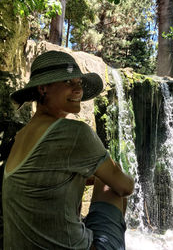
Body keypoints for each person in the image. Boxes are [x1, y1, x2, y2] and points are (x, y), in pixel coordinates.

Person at [2, 50, 134, 250]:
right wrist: (110, 175)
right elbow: (126, 187)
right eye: (67, 82)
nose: (78, 89)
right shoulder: (74, 132)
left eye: (79, 82)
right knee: (111, 183)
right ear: (43, 88)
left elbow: (42, 177)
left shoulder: (19, 137)